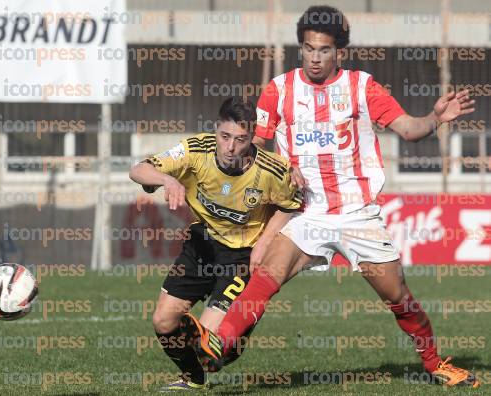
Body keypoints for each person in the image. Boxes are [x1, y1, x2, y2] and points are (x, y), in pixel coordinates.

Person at [181, 5, 479, 388]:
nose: (315, 57)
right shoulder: (279, 90)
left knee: (397, 295)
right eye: (308, 48)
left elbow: (408, 129)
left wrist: (435, 118)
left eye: (323, 50)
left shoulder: (361, 87)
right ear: (300, 48)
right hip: (305, 212)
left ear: (340, 52)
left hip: (357, 213)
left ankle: (436, 362)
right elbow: (254, 147)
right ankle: (218, 344)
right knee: (268, 273)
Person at [129, 97, 301, 391]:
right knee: (163, 322)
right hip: (202, 244)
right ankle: (193, 379)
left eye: (240, 139)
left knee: (212, 345)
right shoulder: (196, 150)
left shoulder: (272, 171)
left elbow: (290, 205)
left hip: (241, 257)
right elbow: (138, 169)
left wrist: (264, 243)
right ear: (216, 129)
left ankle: (231, 340)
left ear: (252, 137)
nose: (230, 146)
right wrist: (166, 180)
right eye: (225, 136)